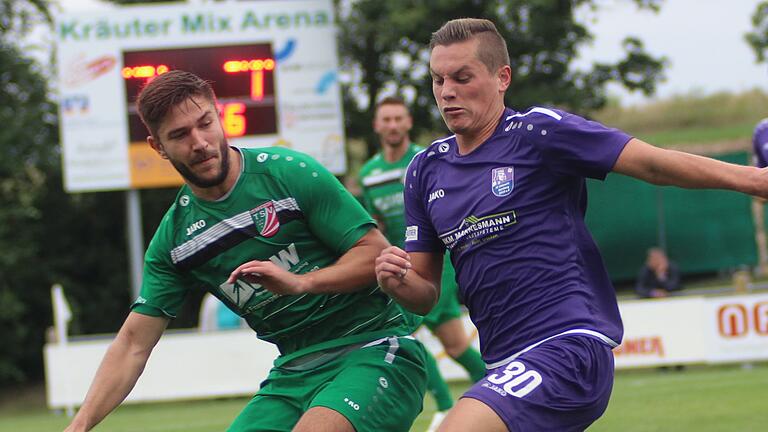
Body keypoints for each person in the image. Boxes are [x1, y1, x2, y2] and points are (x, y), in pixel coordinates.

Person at [374, 18, 768, 432]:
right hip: (501, 363)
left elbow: (652, 163)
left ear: (502, 77)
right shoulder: (425, 170)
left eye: (462, 77)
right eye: (437, 79)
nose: (447, 91)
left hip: (567, 347)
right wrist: (395, 280)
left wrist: (755, 179)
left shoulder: (538, 132)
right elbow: (424, 295)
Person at [64, 70, 427, 432]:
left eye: (205, 123)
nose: (200, 142)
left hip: (375, 348)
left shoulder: (289, 173)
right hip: (292, 374)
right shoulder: (175, 242)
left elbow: (374, 254)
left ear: (219, 116)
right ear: (158, 147)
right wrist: (79, 426)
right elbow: (132, 345)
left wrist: (301, 283)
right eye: (179, 135)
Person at [358, 96, 486, 430]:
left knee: (417, 338)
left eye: (398, 118)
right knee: (447, 344)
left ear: (408, 122)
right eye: (386, 119)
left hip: (435, 263)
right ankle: (488, 391)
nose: (393, 125)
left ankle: (452, 404)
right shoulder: (369, 173)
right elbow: (377, 224)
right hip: (399, 267)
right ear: (377, 125)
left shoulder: (425, 159)